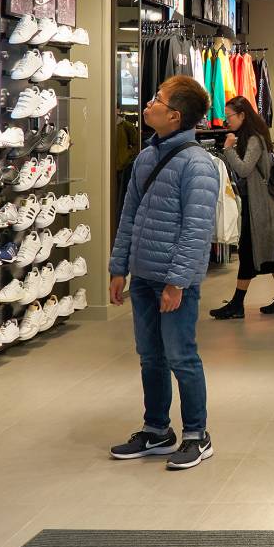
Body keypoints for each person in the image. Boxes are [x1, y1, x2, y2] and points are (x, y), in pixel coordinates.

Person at [107, 73, 222, 471]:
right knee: (150, 357)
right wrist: (118, 266)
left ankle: (196, 434)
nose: (148, 104)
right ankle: (156, 429)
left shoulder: (199, 165)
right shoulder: (145, 158)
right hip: (143, 277)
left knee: (182, 357)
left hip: (175, 282)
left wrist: (177, 281)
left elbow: (197, 230)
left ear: (174, 116)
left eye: (157, 99)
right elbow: (129, 216)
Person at [210, 95, 274, 319]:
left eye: (229, 116)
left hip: (260, 207)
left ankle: (237, 304)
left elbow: (245, 169)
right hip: (260, 204)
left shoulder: (254, 140)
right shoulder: (252, 137)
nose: (227, 121)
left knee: (249, 253)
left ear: (242, 115)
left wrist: (228, 149)